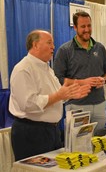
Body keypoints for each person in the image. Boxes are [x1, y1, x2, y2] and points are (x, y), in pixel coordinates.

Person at [9, 29, 91, 161]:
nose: (53, 46)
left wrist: (70, 94)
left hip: (51, 131)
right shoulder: (23, 69)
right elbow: (28, 104)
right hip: (31, 133)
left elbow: (56, 94)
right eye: (49, 43)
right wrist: (59, 95)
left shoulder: (47, 68)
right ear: (35, 45)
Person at [53, 11, 106, 135]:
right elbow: (58, 78)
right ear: (75, 27)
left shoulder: (100, 48)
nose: (87, 29)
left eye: (89, 26)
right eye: (83, 26)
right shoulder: (65, 50)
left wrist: (103, 80)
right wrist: (82, 82)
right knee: (78, 145)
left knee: (99, 143)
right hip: (77, 106)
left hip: (100, 105)